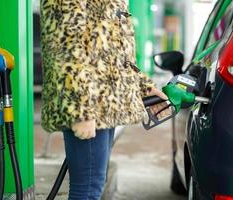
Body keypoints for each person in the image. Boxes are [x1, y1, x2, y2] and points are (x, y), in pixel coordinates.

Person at [40, 0, 169, 199]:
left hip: (103, 103)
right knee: (87, 189)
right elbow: (66, 49)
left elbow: (117, 53)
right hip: (88, 103)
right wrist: (81, 110)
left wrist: (145, 87)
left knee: (93, 185)